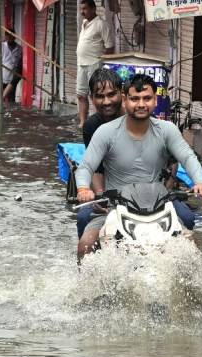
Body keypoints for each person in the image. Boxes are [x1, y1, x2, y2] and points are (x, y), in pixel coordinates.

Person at [75, 74, 202, 262]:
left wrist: (200, 182)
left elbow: (187, 157)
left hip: (160, 206)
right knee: (85, 245)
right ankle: (85, 290)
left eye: (147, 98)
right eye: (134, 99)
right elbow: (86, 167)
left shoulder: (167, 129)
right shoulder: (105, 132)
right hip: (115, 207)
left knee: (191, 247)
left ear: (155, 100)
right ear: (124, 100)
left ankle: (194, 290)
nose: (141, 104)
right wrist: (83, 189)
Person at [76, 68, 124, 239]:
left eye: (112, 95)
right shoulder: (91, 126)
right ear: (91, 99)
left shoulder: (139, 118)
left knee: (185, 218)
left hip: (144, 191)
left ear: (122, 93)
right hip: (109, 190)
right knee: (83, 218)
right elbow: (96, 168)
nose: (106, 101)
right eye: (100, 96)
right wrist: (101, 196)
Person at [76, 0, 114, 129]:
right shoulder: (84, 23)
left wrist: (105, 63)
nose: (82, 12)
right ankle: (83, 122)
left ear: (93, 9)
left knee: (96, 95)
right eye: (81, 9)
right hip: (81, 64)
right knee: (81, 94)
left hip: (95, 63)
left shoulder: (101, 24)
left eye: (85, 9)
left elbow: (110, 46)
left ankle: (96, 123)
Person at [1, 28, 21, 103]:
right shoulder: (2, 46)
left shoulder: (19, 49)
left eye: (10, 38)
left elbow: (19, 63)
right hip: (1, 77)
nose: (9, 40)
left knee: (11, 100)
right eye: (7, 38)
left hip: (12, 78)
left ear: (14, 37)